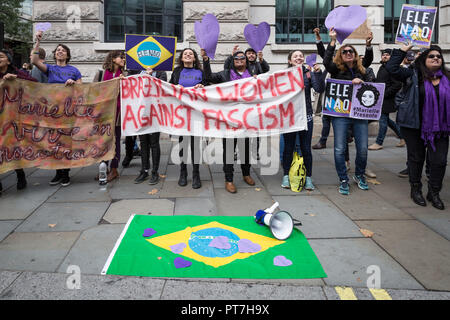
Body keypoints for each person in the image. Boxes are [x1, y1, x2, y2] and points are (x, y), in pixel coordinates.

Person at [385, 43, 449, 210]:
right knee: (416, 159)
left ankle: (434, 192)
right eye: (431, 56)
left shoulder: (447, 78)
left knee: (439, 161)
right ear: (423, 59)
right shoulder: (412, 74)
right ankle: (416, 190)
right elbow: (391, 68)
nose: (436, 58)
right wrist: (403, 50)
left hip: (441, 128)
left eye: (438, 56)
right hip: (414, 125)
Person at [323, 28, 374, 195]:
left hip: (359, 115)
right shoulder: (336, 69)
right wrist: (332, 41)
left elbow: (369, 62)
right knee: (339, 148)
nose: (348, 53)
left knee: (363, 148)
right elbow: (326, 62)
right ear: (341, 55)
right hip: (341, 116)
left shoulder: (362, 70)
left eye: (351, 51)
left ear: (355, 54)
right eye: (344, 51)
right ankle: (343, 178)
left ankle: (359, 175)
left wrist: (368, 45)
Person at [31, 31, 82, 187]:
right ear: (55, 54)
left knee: (66, 142)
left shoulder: (74, 70)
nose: (60, 51)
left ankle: (66, 173)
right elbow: (34, 60)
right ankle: (57, 172)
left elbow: (82, 89)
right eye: (58, 50)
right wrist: (37, 42)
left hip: (67, 111)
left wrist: (73, 83)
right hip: (52, 111)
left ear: (67, 55)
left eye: (63, 50)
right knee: (53, 142)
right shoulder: (50, 69)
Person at [202, 49, 256, 193]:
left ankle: (246, 174)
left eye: (242, 58)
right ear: (232, 61)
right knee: (229, 151)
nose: (239, 60)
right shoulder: (225, 74)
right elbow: (208, 77)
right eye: (236, 59)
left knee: (245, 149)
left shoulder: (253, 75)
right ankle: (229, 179)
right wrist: (206, 61)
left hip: (246, 119)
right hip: (229, 120)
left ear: (246, 60)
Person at [281, 50, 325, 190]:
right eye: (295, 56)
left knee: (306, 148)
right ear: (290, 60)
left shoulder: (308, 73)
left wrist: (317, 73)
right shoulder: (283, 75)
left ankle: (308, 178)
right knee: (288, 148)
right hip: (290, 118)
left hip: (306, 117)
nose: (299, 58)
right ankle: (286, 176)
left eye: (301, 56)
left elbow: (319, 88)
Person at [0, 49, 37, 194]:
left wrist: (15, 78)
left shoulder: (16, 73)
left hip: (12, 119)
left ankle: (20, 175)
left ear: (8, 61)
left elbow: (34, 83)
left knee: (12, 147)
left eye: (1, 57)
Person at [170, 48, 208, 189]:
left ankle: (196, 174)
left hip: (196, 114)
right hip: (181, 114)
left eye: (190, 54)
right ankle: (183, 172)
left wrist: (202, 86)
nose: (187, 55)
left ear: (194, 58)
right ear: (182, 58)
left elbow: (208, 89)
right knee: (183, 144)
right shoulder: (176, 72)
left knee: (195, 145)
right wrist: (175, 87)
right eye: (185, 53)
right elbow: (168, 89)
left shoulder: (200, 72)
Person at [93, 50, 125, 182]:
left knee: (116, 140)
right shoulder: (100, 74)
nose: (123, 59)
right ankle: (103, 166)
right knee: (103, 141)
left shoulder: (125, 75)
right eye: (121, 57)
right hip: (103, 113)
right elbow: (93, 91)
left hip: (118, 113)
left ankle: (114, 169)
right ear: (113, 59)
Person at [134, 67, 167, 185]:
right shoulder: (135, 70)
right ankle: (144, 170)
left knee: (154, 143)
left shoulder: (161, 72)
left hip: (154, 113)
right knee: (143, 142)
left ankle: (155, 171)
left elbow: (162, 87)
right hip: (141, 112)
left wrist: (150, 76)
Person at [369, 49, 404, 151]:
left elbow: (397, 84)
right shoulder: (382, 67)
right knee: (387, 120)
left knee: (383, 120)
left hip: (387, 99)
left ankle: (379, 142)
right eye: (383, 55)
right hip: (381, 98)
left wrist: (385, 94)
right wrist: (374, 81)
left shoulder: (392, 68)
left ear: (391, 57)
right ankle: (403, 137)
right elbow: (383, 82)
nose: (384, 56)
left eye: (387, 55)